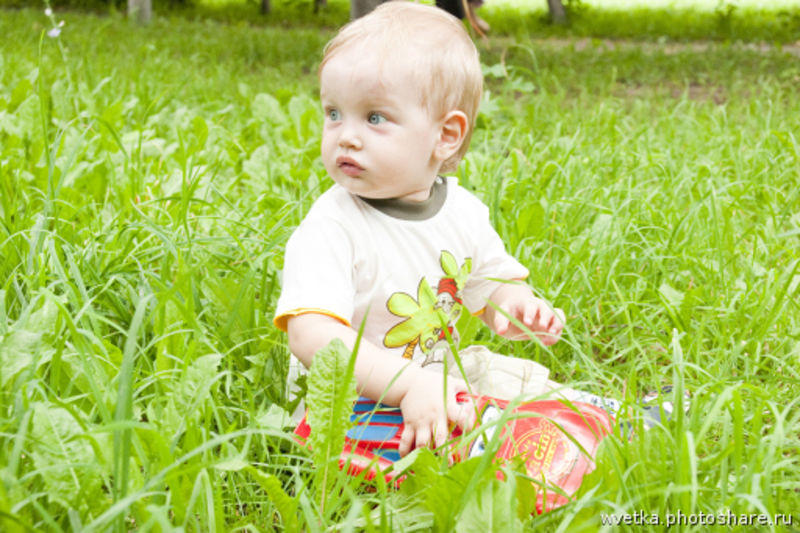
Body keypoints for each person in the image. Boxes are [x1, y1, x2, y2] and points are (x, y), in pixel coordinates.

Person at [273, 1, 676, 456]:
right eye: (333, 113)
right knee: (446, 434)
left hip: (435, 375)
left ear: (446, 135)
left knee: (505, 375)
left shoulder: (461, 211)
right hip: (343, 404)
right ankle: (515, 448)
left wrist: (517, 306)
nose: (345, 135)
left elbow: (491, 282)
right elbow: (312, 336)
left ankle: (612, 421)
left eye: (374, 117)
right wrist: (407, 386)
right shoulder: (332, 226)